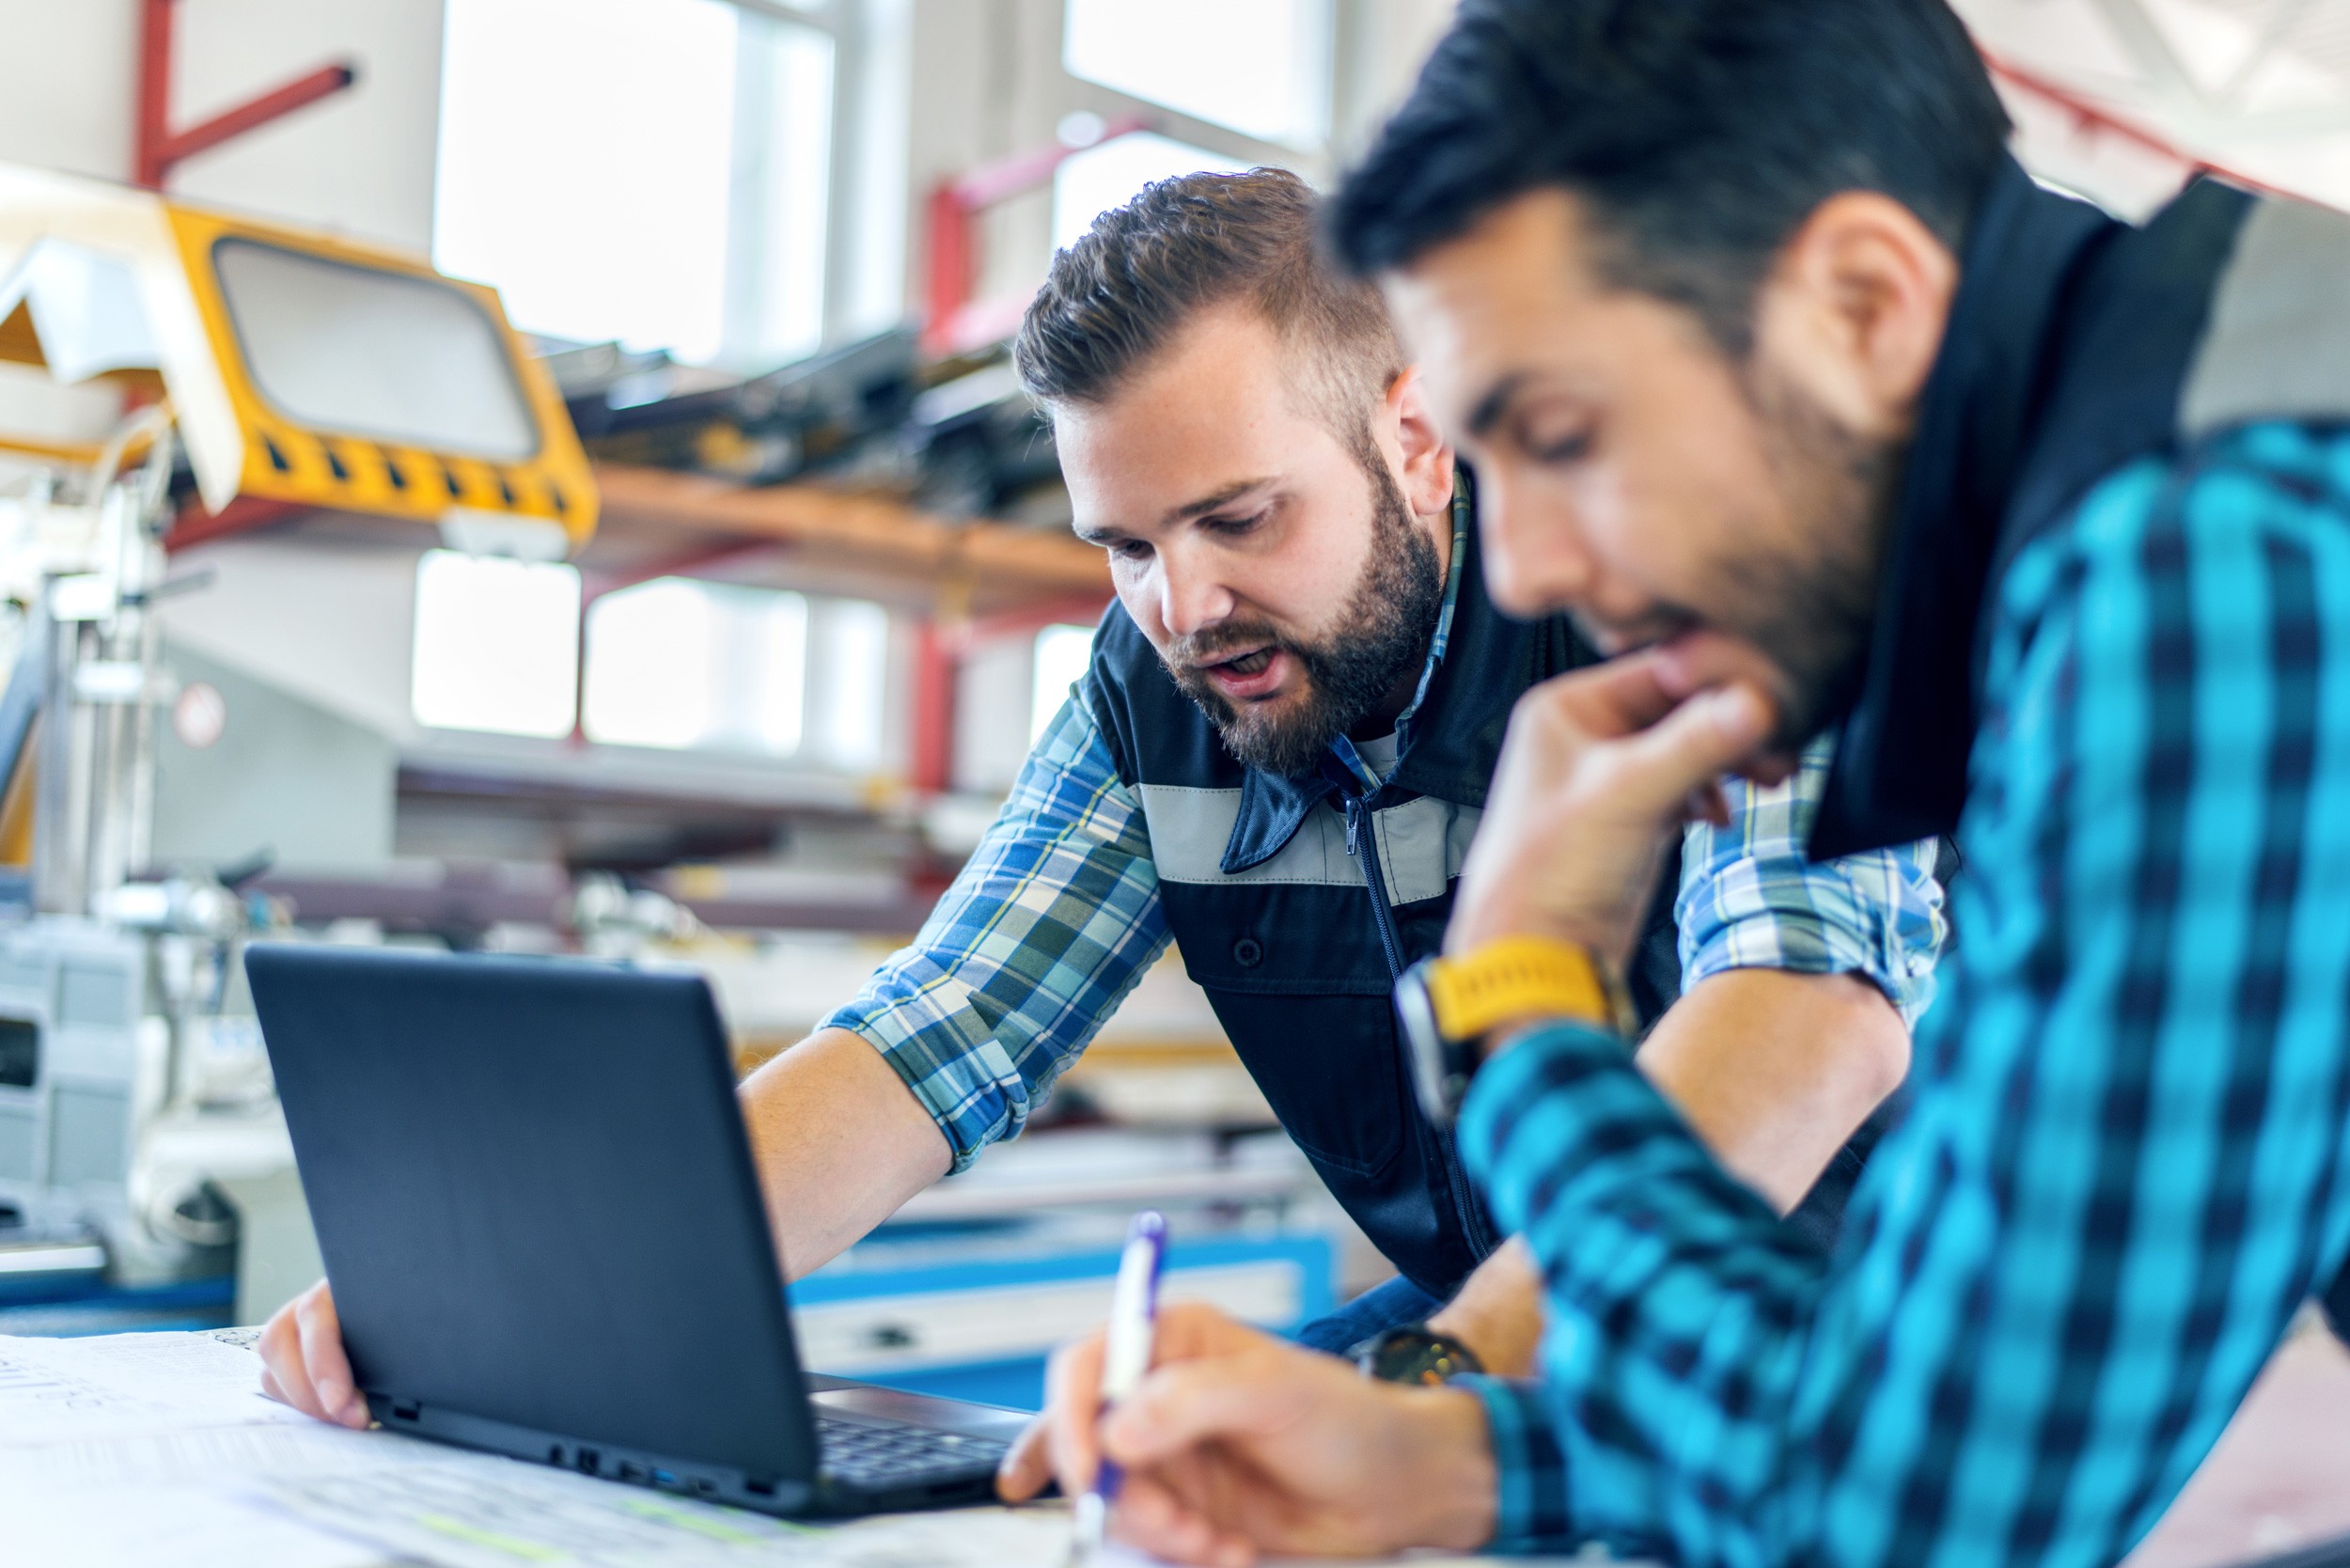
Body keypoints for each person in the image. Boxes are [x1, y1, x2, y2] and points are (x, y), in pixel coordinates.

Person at [255, 170, 1943, 1479]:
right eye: (1124, 542)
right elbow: (940, 1033)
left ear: (1416, 439)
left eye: (1238, 517)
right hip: (1526, 1322)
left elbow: (1807, 1021)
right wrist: (526, 1302)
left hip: (1902, 1351)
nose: (1182, 601)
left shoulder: (1708, 594)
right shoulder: (1162, 688)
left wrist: (1434, 1392)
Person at [1029, 1, 2350, 1564]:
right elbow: (1918, 1407)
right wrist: (1449, 1464)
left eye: (1567, 435)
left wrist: (1524, 1007)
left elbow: (1915, 1521)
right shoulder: (2158, 478)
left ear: (1861, 304)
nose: (1529, 566)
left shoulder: (2219, 558)